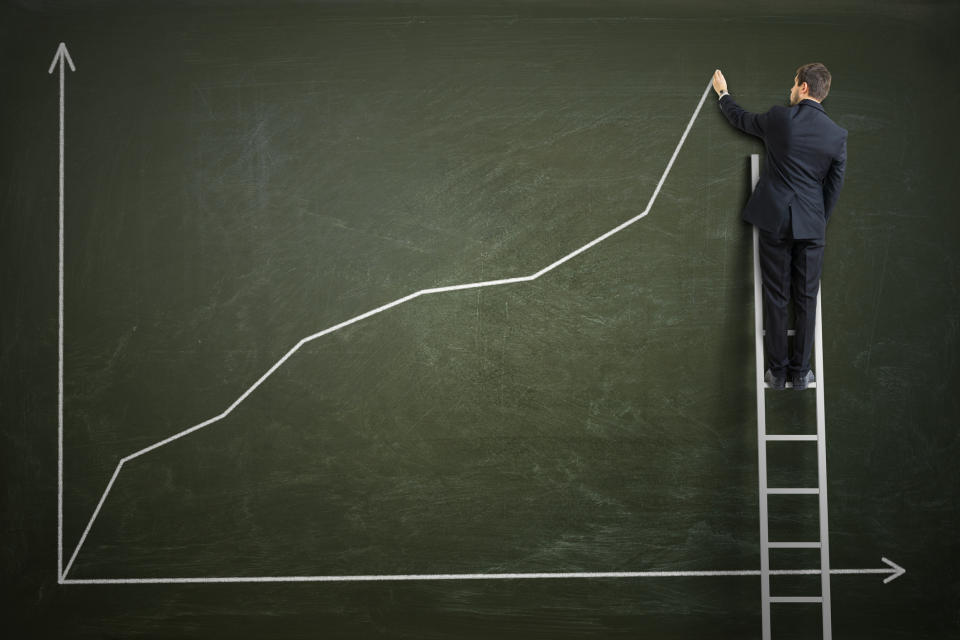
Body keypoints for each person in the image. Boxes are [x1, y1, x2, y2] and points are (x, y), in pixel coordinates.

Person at [712, 64, 847, 390]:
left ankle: (777, 371)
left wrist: (723, 94)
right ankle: (801, 373)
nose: (790, 90)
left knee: (775, 296)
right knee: (806, 298)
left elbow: (741, 119)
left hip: (775, 221)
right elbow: (834, 186)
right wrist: (817, 220)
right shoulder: (837, 134)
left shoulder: (779, 119)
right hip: (812, 225)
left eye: (792, 84)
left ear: (802, 87)